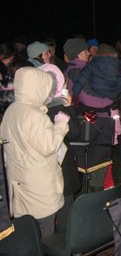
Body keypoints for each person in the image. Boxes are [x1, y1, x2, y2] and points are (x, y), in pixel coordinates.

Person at [0, 67, 70, 238]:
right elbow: (49, 146)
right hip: (39, 186)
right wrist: (60, 125)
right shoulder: (34, 115)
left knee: (27, 232)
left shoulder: (12, 110)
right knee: (44, 234)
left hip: (20, 181)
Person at [38, 63, 81, 233]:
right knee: (65, 209)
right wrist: (70, 107)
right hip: (62, 168)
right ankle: (64, 240)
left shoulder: (36, 107)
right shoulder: (59, 108)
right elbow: (74, 133)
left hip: (43, 168)